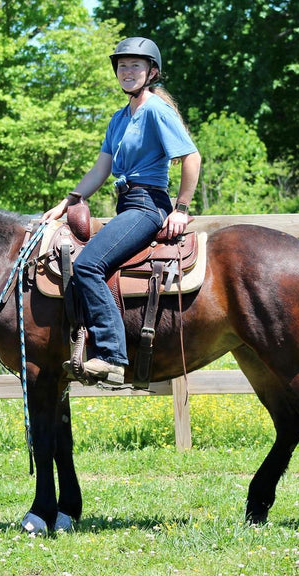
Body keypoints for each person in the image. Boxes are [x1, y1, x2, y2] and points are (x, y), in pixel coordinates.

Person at [41, 36, 201, 385]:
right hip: (126, 205)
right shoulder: (118, 118)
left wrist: (181, 208)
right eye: (122, 66)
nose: (127, 72)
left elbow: (192, 157)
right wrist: (66, 203)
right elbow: (100, 170)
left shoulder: (157, 110)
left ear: (151, 72)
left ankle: (112, 357)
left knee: (87, 265)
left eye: (135, 65)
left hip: (148, 205)